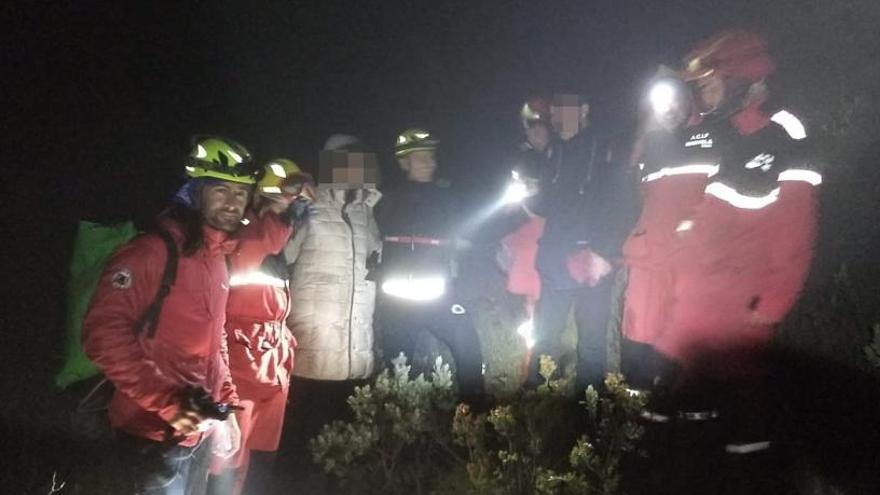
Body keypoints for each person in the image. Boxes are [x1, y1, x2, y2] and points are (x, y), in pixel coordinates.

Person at [83, 135, 260, 494]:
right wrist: (166, 400)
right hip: (147, 435)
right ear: (194, 192)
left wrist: (225, 404)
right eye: (221, 190)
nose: (233, 203)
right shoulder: (151, 251)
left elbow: (216, 340)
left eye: (241, 193)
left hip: (196, 433)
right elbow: (101, 334)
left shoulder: (217, 259)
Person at [656, 29, 821, 381]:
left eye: (711, 85)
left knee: (737, 424)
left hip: (734, 324)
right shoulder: (725, 133)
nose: (704, 96)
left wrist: (774, 303)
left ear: (740, 80)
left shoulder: (782, 132)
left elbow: (795, 229)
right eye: (701, 87)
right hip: (692, 318)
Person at [280, 134, 382, 491]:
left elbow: (373, 264)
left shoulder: (365, 212)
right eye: (343, 161)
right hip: (308, 357)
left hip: (354, 357)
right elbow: (279, 257)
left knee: (343, 460)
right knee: (298, 456)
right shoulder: (308, 206)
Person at [207, 158, 314, 495]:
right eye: (289, 194)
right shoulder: (251, 232)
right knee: (227, 460)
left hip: (269, 360)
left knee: (256, 458)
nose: (295, 201)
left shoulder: (275, 234)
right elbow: (262, 242)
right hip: (242, 362)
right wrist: (285, 213)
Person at [528, 94, 635, 389]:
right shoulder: (554, 152)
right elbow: (549, 203)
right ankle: (534, 402)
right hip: (555, 257)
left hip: (592, 259)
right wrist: (531, 197)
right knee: (546, 334)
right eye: (555, 111)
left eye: (565, 109)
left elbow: (624, 204)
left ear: (584, 110)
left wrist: (604, 251)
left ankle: (588, 409)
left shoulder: (605, 149)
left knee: (590, 341)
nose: (558, 116)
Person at [374, 128, 484, 397]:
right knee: (397, 372)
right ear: (404, 162)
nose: (430, 163)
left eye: (431, 157)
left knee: (469, 348)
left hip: (439, 297)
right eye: (421, 157)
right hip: (397, 304)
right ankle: (399, 427)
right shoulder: (385, 200)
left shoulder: (447, 197)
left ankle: (476, 419)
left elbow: (472, 230)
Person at [619, 70, 707, 389]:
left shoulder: (707, 137)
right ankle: (630, 414)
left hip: (687, 259)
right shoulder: (648, 145)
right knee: (637, 337)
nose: (669, 108)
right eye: (662, 102)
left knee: (676, 342)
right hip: (647, 260)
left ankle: (671, 408)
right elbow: (634, 199)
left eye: (675, 100)